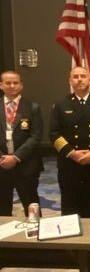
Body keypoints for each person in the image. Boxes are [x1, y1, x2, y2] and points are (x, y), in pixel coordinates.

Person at [50, 67, 90, 217]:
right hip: (69, 163)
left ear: (89, 80)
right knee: (70, 204)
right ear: (70, 81)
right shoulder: (60, 105)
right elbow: (54, 134)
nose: (79, 79)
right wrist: (72, 153)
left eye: (83, 76)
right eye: (75, 77)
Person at [0, 71, 43, 216]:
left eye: (15, 83)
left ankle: (37, 236)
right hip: (1, 164)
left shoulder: (33, 107)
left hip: (26, 165)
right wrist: (2, 158)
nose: (12, 86)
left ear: (21, 85)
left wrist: (16, 157)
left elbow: (36, 137)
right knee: (2, 208)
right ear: (1, 85)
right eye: (8, 83)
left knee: (31, 207)